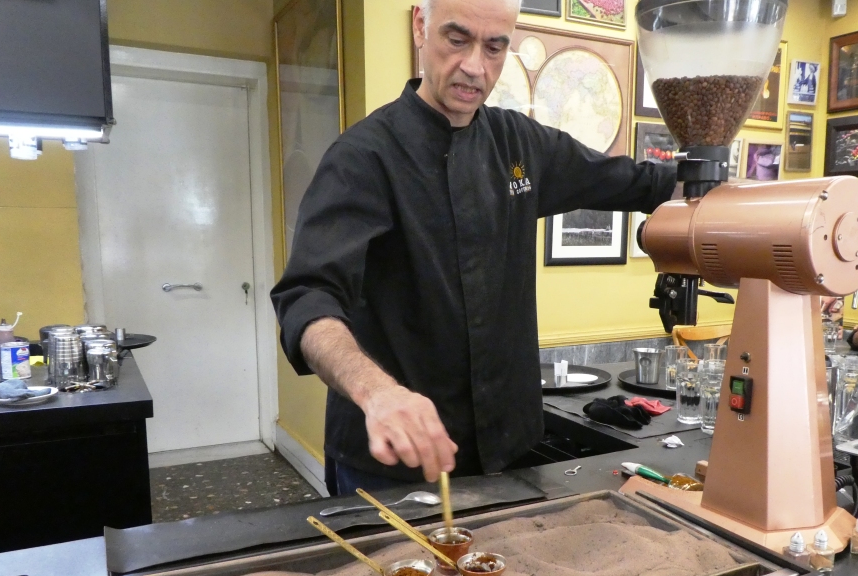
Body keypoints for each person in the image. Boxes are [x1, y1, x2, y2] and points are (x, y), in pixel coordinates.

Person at [271, 0, 677, 495]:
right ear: (421, 26)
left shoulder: (520, 145)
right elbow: (307, 298)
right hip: (391, 463)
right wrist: (377, 392)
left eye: (494, 47)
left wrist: (717, 184)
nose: (474, 66)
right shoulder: (362, 158)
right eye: (457, 39)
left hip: (510, 450)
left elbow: (639, 182)